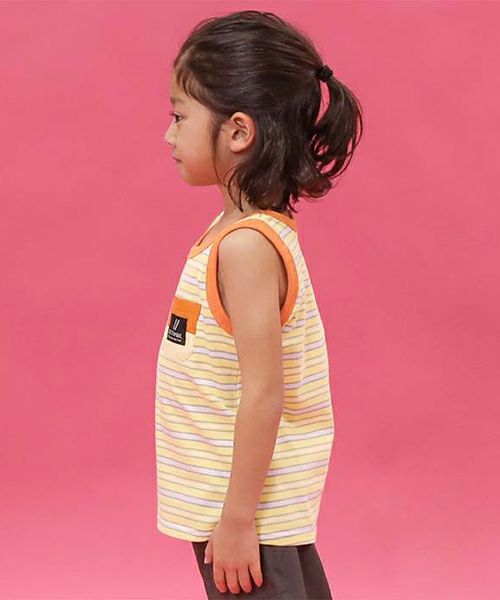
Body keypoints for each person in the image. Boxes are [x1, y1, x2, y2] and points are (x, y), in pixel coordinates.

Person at [155, 9, 363, 599]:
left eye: (179, 116)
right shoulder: (236, 232)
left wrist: (238, 520)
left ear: (239, 132)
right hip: (246, 513)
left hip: (249, 518)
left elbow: (265, 390)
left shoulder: (246, 247)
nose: (169, 135)